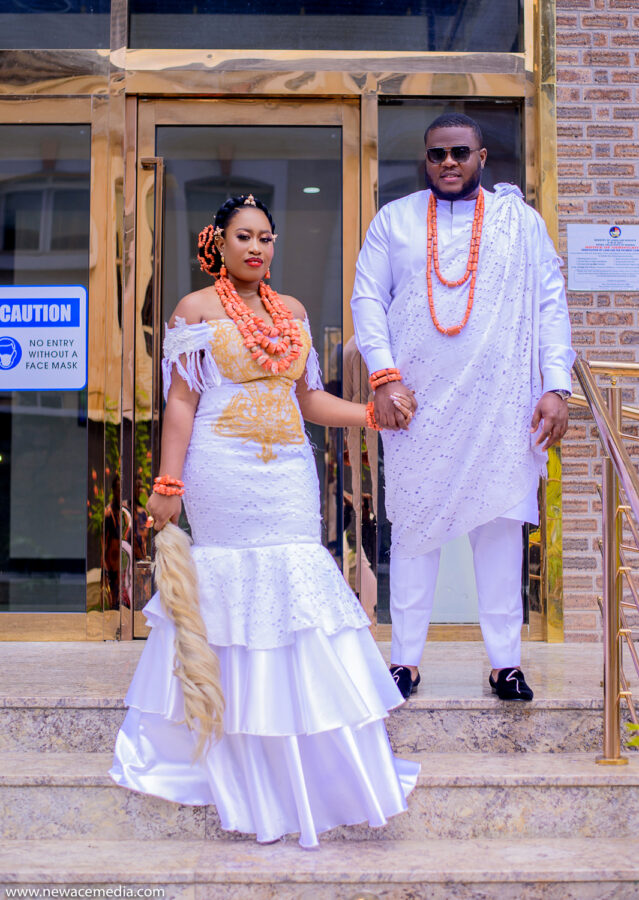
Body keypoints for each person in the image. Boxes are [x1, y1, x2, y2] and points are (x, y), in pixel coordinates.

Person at [109, 194, 419, 848]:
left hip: (287, 471)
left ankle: (306, 761)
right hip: (221, 466)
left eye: (266, 238)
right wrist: (168, 483)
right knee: (233, 595)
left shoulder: (293, 313)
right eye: (244, 236)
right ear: (217, 243)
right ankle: (228, 756)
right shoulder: (195, 310)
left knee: (294, 589)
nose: (256, 247)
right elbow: (182, 404)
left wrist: (370, 416)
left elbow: (309, 400)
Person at [350, 113, 575, 703]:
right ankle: (404, 662)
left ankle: (506, 664)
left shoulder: (519, 223)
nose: (448, 163)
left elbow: (550, 303)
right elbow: (368, 300)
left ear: (481, 158)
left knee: (500, 531)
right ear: (425, 159)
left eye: (459, 152)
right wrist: (383, 376)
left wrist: (556, 386)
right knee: (414, 531)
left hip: (501, 404)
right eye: (437, 154)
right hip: (416, 405)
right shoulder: (394, 220)